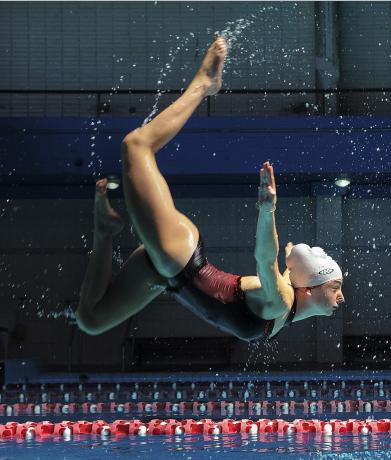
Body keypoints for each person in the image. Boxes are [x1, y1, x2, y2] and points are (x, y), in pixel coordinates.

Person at [76, 36, 344, 342]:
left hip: (167, 276)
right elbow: (265, 259)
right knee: (136, 146)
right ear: (308, 289)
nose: (342, 297)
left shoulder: (287, 303)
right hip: (180, 259)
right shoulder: (281, 299)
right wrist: (267, 211)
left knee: (92, 320)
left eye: (337, 287)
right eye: (336, 288)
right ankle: (203, 84)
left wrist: (290, 261)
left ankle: (105, 230)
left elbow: (281, 268)